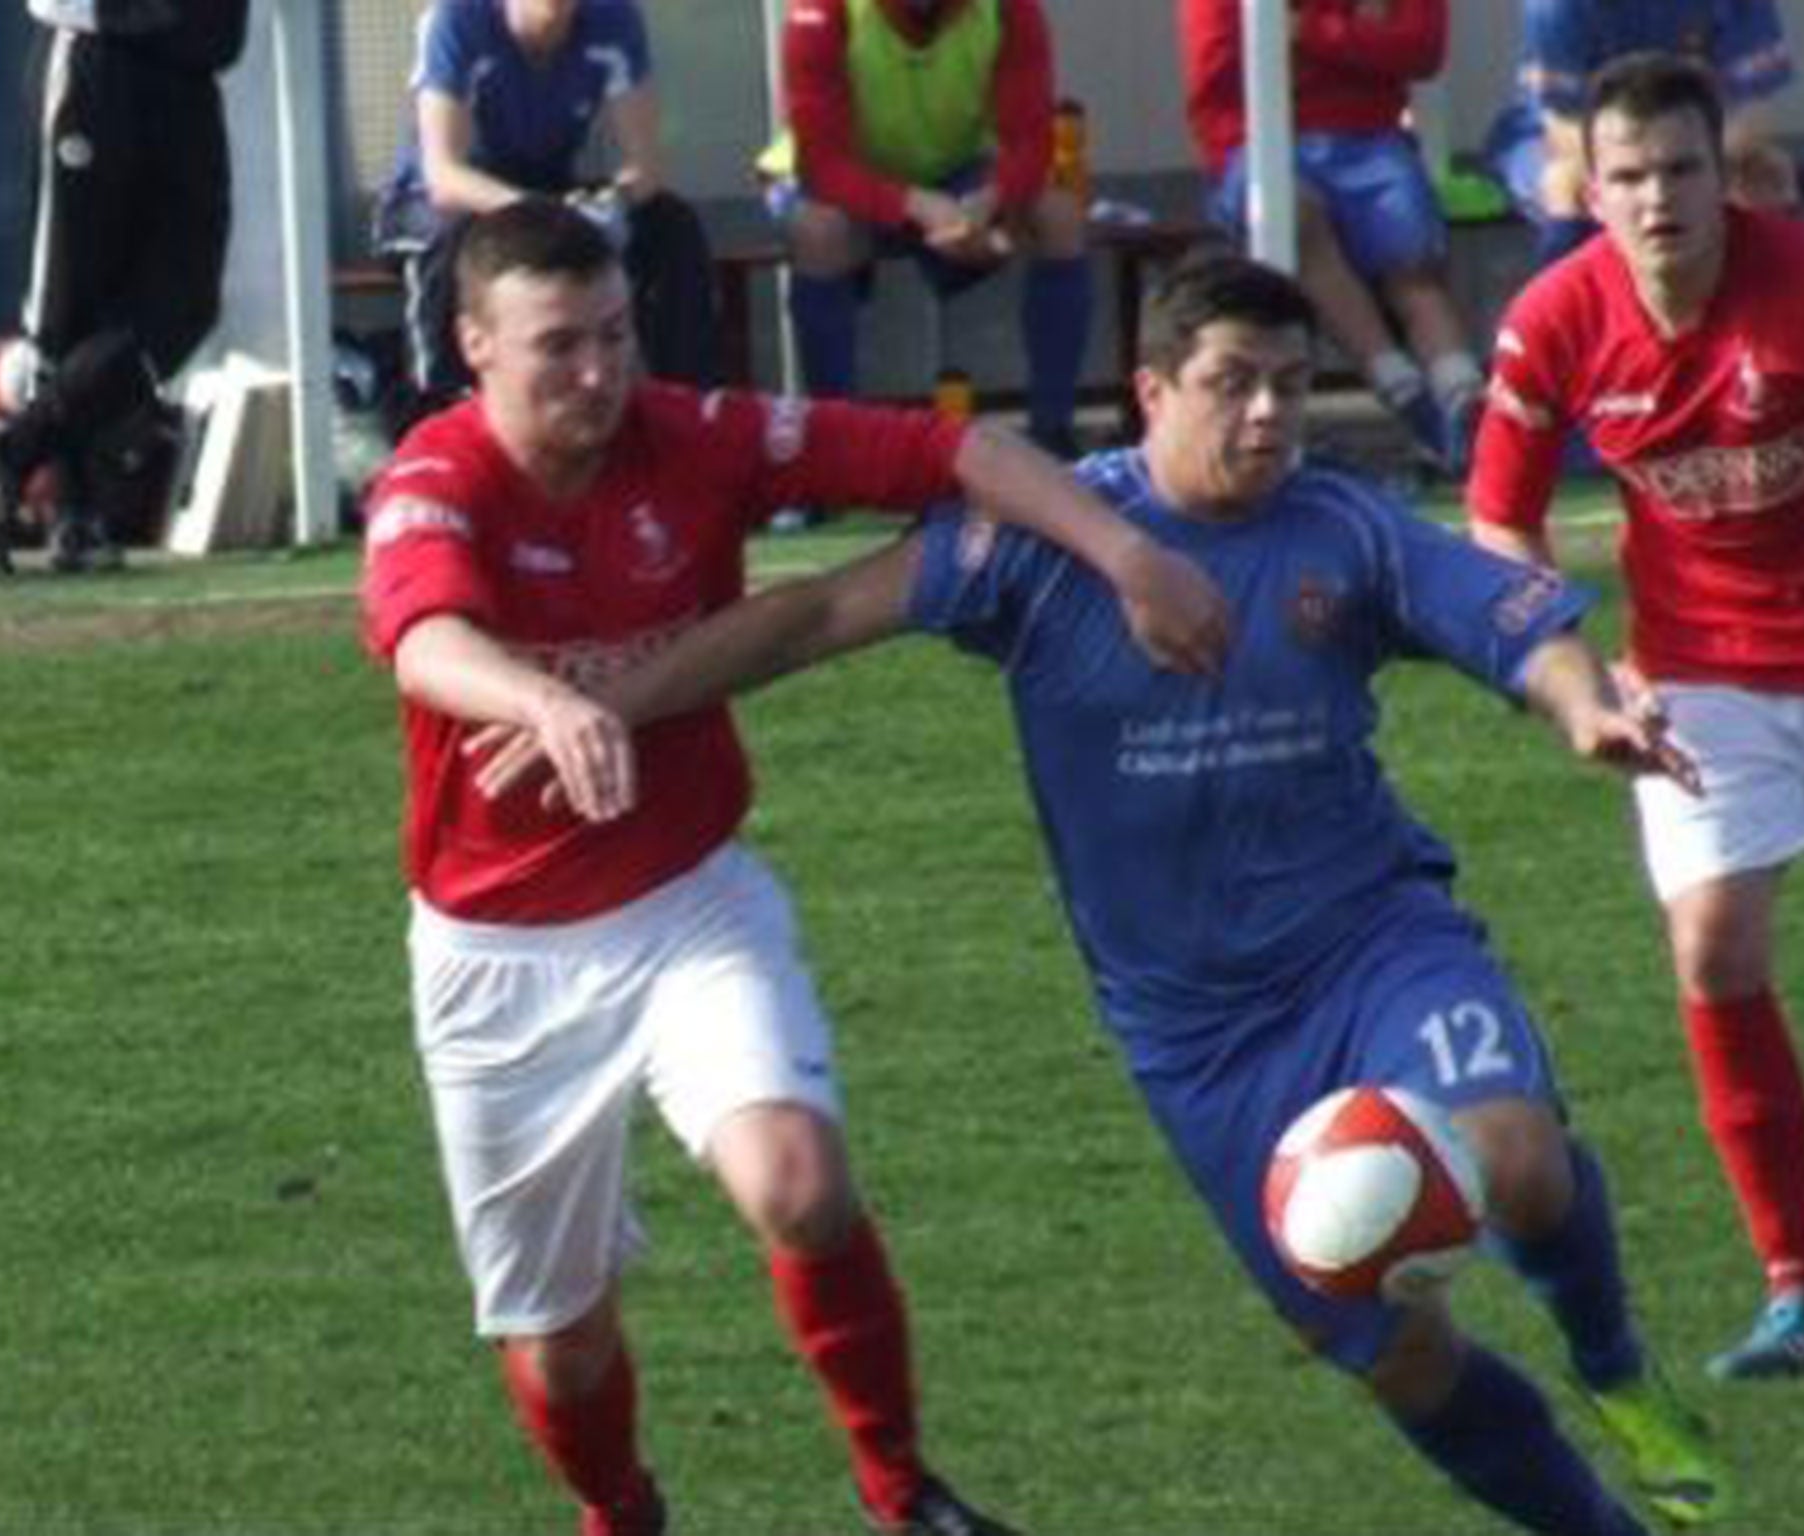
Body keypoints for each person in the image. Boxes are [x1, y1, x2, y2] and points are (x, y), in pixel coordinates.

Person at [473, 249, 1726, 1536]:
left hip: (1371, 949)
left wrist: (1586, 710)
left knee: (1509, 1156)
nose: (1266, 418)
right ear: (1149, 391)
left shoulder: (1340, 531)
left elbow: (1509, 625)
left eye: (1293, 389)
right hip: (1200, 1044)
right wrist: (601, 704)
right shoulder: (1038, 549)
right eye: (1232, 385)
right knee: (1398, 1354)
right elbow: (810, 618)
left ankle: (1614, 1362)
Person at [357, 196, 1227, 1536]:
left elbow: (957, 450)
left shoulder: (695, 437)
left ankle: (901, 1493)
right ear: (475, 345)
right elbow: (421, 639)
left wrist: (1128, 554)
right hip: (498, 960)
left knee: (800, 1188)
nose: (596, 374)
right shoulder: (437, 476)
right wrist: (541, 702)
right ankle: (623, 1511)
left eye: (614, 336)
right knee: (563, 1342)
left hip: (689, 904)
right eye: (556, 348)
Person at [1467, 51, 1804, 1382]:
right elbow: (1498, 516)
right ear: (1588, 191)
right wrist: (1583, 674)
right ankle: (1803, 1294)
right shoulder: (1553, 323)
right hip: (1705, 680)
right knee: (1714, 944)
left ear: (1729, 176)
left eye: (1681, 170)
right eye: (1627, 175)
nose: (1657, 199)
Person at [0, 0, 250, 576]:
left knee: (186, 302)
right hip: (98, 56)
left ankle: (9, 456)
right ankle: (75, 514)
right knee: (71, 305)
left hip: (190, 73)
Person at [765, 0, 1091, 459]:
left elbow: (1031, 143)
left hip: (953, 173)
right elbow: (822, 164)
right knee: (819, 233)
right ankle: (835, 447)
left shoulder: (1011, 9)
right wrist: (914, 206)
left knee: (1059, 215)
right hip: (838, 178)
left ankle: (1052, 435)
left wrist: (987, 202)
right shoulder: (820, 9)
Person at [1175, 0, 1485, 473]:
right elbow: (1218, 74)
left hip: (1372, 138)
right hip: (1254, 140)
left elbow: (1421, 49)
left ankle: (1468, 410)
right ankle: (1411, 399)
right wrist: (1358, 38)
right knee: (1297, 219)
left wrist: (1308, 32)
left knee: (1412, 262)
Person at [377, 0, 718, 403]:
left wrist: (610, 204)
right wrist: (545, 213)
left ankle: (685, 403)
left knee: (671, 222)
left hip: (548, 193)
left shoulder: (615, 18)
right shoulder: (456, 19)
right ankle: (437, 409)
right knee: (458, 238)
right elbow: (444, 178)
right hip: (434, 205)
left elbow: (646, 167)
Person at [1481, 0, 1797, 267]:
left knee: (1767, 175)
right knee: (1565, 184)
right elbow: (1563, 128)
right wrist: (1653, 169)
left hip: (1694, 142)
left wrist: (1691, 166)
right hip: (1564, 140)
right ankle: (1569, 324)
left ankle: (1770, 320)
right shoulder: (1556, 6)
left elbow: (1754, 114)